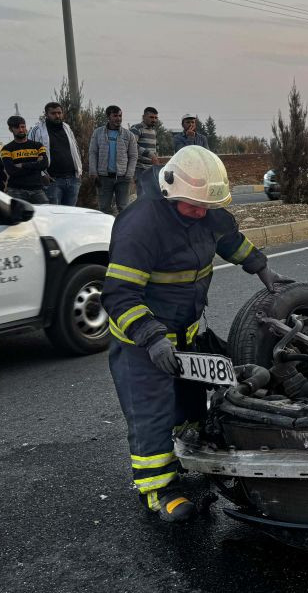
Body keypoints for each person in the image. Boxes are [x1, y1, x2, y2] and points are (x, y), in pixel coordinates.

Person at [103, 146, 292, 522]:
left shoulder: (205, 209)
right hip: (141, 342)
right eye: (194, 207)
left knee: (188, 408)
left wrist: (261, 268)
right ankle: (157, 489)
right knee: (151, 413)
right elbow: (119, 294)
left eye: (208, 206)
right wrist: (151, 336)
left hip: (184, 335)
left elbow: (230, 240)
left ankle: (185, 456)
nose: (202, 212)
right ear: (172, 191)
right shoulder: (140, 225)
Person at [88, 105, 139, 214]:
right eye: (115, 116)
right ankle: (106, 230)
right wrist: (93, 172)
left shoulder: (128, 135)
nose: (118, 118)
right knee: (104, 209)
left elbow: (133, 155)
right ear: (108, 117)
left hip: (123, 178)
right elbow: (93, 153)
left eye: (120, 116)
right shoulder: (98, 133)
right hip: (104, 178)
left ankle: (123, 231)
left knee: (124, 209)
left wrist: (129, 174)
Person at [30, 102, 82, 206]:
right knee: (54, 215)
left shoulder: (66, 128)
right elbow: (32, 155)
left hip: (72, 179)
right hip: (52, 180)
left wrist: (79, 171)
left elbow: (75, 149)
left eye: (59, 113)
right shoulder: (37, 130)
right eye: (53, 113)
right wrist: (42, 174)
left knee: (70, 214)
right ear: (46, 114)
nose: (57, 116)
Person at [0, 116, 49, 204]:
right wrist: (35, 165)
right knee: (18, 217)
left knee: (45, 215)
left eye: (23, 127)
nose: (21, 130)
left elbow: (44, 164)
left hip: (37, 190)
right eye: (17, 127)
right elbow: (11, 171)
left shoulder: (38, 146)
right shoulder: (7, 149)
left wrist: (23, 165)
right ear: (11, 129)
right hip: (16, 191)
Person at [130, 106, 172, 197]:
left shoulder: (153, 131)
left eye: (156, 118)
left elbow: (155, 146)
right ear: (144, 117)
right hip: (140, 168)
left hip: (151, 169)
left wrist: (156, 156)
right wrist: (150, 154)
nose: (154, 120)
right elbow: (132, 146)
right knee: (142, 197)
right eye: (151, 117)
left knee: (152, 196)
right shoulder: (136, 128)